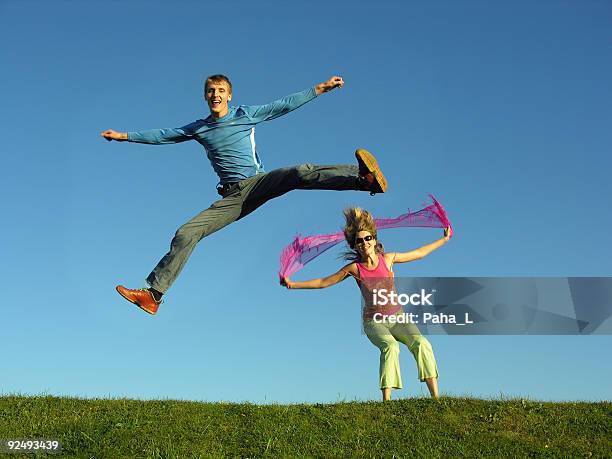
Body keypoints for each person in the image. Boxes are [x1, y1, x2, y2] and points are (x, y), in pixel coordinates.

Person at [101, 75, 387, 315]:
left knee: (300, 172)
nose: (216, 94)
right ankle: (154, 295)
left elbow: (282, 106)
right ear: (205, 96)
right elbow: (165, 134)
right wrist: (125, 136)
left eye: (221, 91)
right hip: (232, 198)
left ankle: (363, 179)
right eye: (211, 91)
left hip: (258, 182)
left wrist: (320, 89)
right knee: (186, 233)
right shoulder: (199, 128)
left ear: (229, 95)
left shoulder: (244, 114)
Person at [281, 208, 451, 401]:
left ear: (374, 239)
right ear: (355, 246)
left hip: (398, 317)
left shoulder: (388, 259)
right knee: (391, 346)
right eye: (359, 241)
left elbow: (419, 253)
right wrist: (293, 284)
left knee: (421, 343)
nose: (364, 243)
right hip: (374, 322)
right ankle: (387, 401)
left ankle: (436, 398)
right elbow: (324, 282)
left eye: (367, 238)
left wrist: (443, 240)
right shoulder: (355, 268)